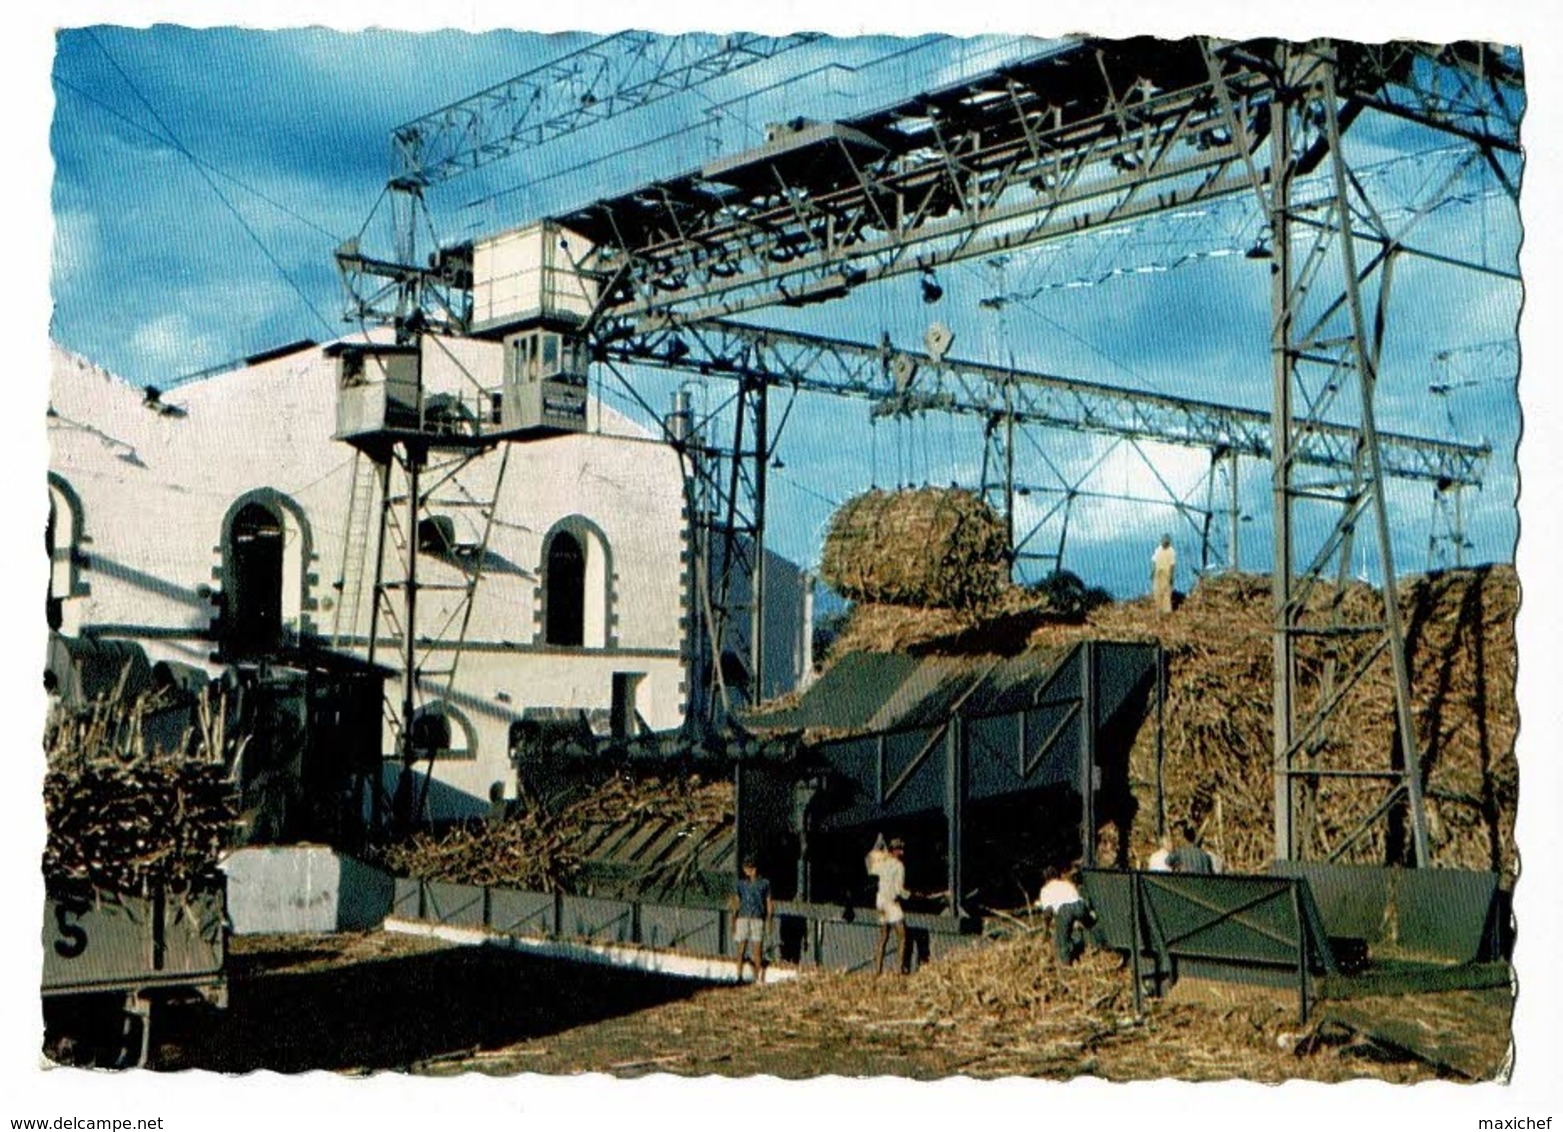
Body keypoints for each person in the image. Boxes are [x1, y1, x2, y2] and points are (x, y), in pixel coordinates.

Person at [1035, 866, 1106, 964]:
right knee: (1091, 926)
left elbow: (1048, 912)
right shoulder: (1066, 884)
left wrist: (1046, 928)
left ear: (1045, 879)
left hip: (1064, 910)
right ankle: (1102, 946)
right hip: (1079, 906)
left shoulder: (1045, 890)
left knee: (1062, 940)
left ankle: (1066, 964)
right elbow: (1077, 897)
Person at [866, 837, 910, 975]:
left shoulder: (882, 863)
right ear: (895, 850)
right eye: (900, 849)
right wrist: (909, 895)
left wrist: (876, 849)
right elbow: (899, 890)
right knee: (902, 936)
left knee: (883, 936)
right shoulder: (899, 866)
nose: (902, 852)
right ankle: (898, 969)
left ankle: (877, 970)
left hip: (880, 902)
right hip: (891, 903)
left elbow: (869, 865)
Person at [731, 858, 772, 984]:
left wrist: (769, 919)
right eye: (747, 868)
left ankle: (758, 977)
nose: (750, 871)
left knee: (757, 949)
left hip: (757, 918)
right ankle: (739, 975)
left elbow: (769, 902)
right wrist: (733, 920)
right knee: (741, 947)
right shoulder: (740, 884)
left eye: (752, 868)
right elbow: (736, 903)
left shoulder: (764, 883)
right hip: (743, 917)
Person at [1150, 534, 1177, 614]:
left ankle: (1167, 610)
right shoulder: (1158, 550)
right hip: (1158, 573)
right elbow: (1154, 562)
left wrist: (1171, 576)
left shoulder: (1171, 551)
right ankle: (1159, 609)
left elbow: (1172, 565)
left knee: (1166, 593)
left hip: (1166, 574)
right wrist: (1152, 572)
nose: (1165, 543)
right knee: (1157, 591)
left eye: (1166, 542)